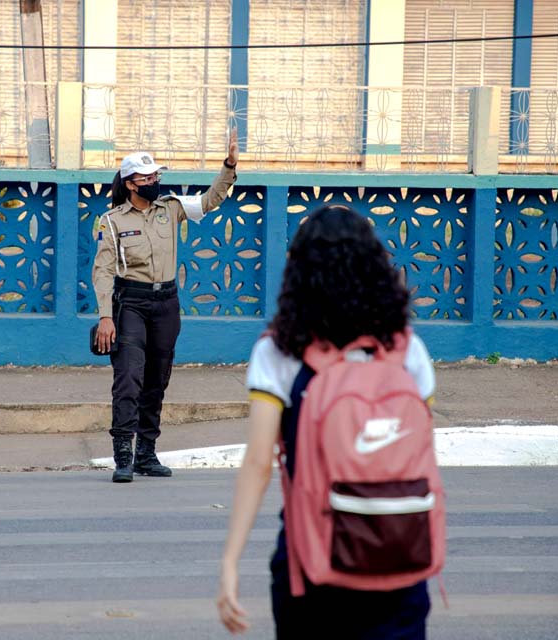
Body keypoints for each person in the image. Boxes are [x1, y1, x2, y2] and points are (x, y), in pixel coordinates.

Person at [217, 205, 437, 638]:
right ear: (376, 267)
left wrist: (229, 560)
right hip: (400, 550)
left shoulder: (279, 351)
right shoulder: (406, 349)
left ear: (299, 272)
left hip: (312, 557)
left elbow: (260, 462)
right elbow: (418, 450)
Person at [92, 129, 239, 483]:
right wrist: (105, 318)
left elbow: (210, 200)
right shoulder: (111, 222)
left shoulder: (171, 208)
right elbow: (102, 271)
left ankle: (146, 453)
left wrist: (229, 166)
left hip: (166, 304)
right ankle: (123, 455)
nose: (154, 182)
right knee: (128, 379)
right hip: (131, 304)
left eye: (156, 176)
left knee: (157, 378)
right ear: (130, 184)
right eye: (146, 178)